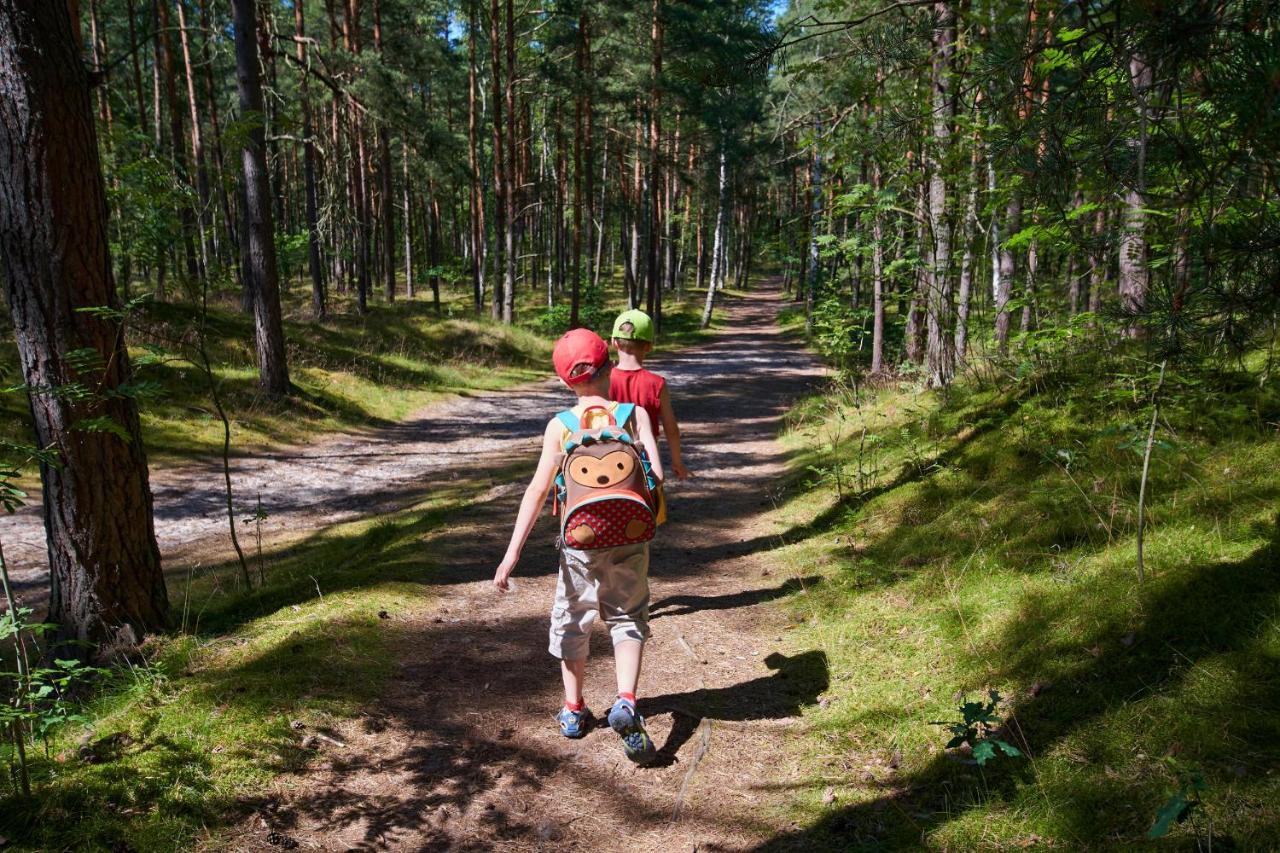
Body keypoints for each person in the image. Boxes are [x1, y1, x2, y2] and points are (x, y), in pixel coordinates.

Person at [493, 328, 662, 765]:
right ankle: (626, 700)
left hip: (579, 542)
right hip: (630, 536)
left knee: (573, 619)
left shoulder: (560, 426)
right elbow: (656, 480)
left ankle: (573, 709)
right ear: (608, 367)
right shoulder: (635, 414)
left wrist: (512, 554)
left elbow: (537, 490)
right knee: (627, 616)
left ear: (565, 381)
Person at [609, 309, 690, 480]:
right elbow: (671, 428)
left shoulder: (605, 380)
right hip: (647, 454)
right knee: (650, 498)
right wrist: (677, 462)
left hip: (609, 453)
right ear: (649, 346)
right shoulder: (657, 383)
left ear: (614, 342)